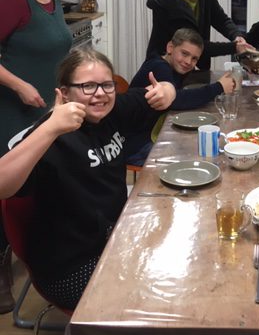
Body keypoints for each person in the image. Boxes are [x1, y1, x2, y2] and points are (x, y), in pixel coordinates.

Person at [0, 47, 176, 311]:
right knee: (159, 294)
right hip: (69, 266)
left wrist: (167, 91)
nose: (100, 93)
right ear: (64, 93)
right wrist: (50, 127)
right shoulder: (50, 135)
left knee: (175, 260)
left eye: (107, 85)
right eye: (87, 86)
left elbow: (160, 91)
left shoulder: (111, 110)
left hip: (113, 241)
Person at [0, 0, 72, 313]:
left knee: (39, 185)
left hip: (45, 112)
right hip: (12, 113)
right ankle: (0, 273)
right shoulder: (14, 1)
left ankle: (41, 252)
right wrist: (18, 85)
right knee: (9, 189)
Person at [125, 28, 236, 165]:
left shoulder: (169, 65)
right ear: (170, 48)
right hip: (136, 144)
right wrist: (219, 87)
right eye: (184, 53)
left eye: (194, 58)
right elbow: (175, 99)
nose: (188, 62)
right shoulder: (159, 67)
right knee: (193, 154)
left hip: (148, 133)